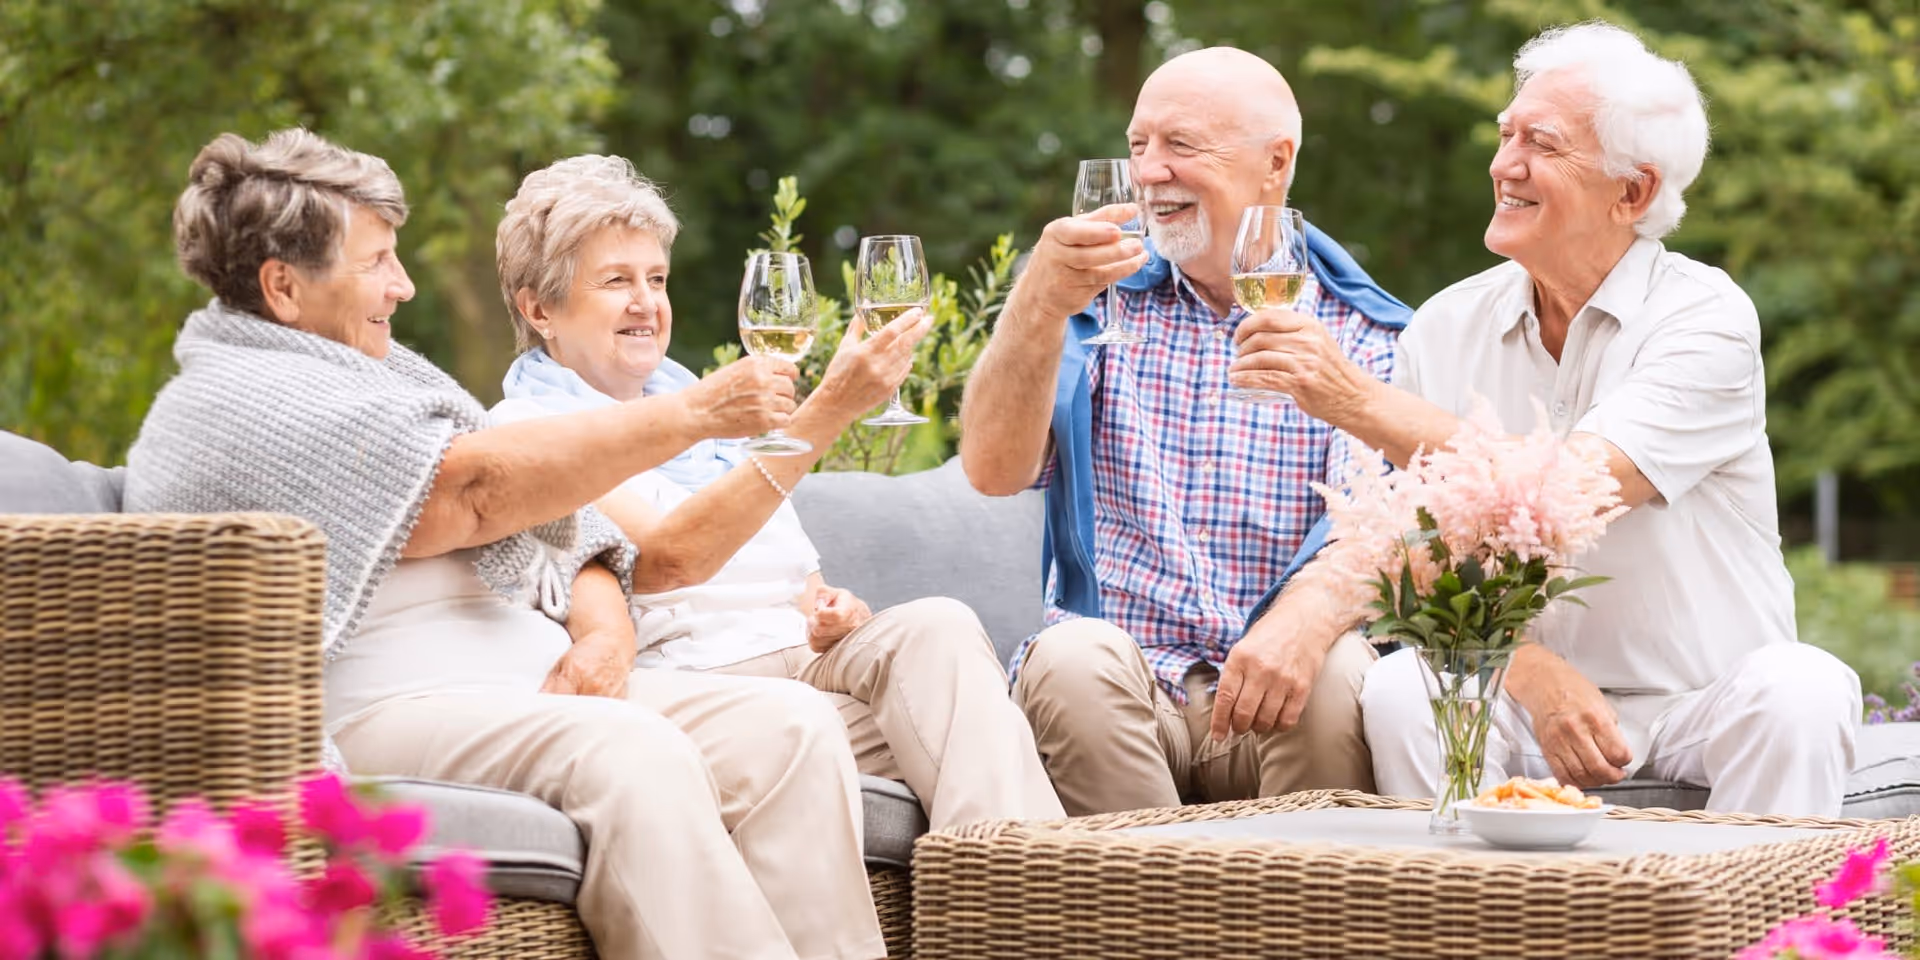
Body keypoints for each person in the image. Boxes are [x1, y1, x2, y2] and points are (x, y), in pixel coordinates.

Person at [125, 129, 888, 960]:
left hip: (526, 687)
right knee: (634, 752)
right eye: (377, 261)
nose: (405, 286)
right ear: (283, 286)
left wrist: (605, 626)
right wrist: (695, 414)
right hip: (386, 707)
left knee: (787, 727)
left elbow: (570, 531)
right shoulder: (231, 405)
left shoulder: (388, 378)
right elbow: (470, 493)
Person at [1232, 23, 1861, 817]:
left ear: (1631, 192)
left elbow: (1564, 490)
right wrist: (1525, 673)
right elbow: (1421, 557)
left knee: (1804, 688)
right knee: (1402, 685)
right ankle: (1481, 929)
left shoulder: (1706, 319)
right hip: (1518, 699)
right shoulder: (1445, 326)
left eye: (1543, 143)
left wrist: (1352, 398)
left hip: (1706, 704)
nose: (1504, 164)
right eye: (1505, 135)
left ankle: (1765, 934)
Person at [488, 155, 1064, 830]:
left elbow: (801, 584)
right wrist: (828, 410)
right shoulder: (530, 432)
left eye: (657, 279)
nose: (647, 302)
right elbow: (668, 560)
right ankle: (1040, 896)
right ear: (540, 309)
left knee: (939, 626)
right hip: (702, 684)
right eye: (617, 281)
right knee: (975, 732)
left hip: (805, 668)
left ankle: (1022, 885)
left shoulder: (716, 419)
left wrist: (837, 615)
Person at [958, 47, 1412, 816]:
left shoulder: (1368, 332)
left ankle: (1309, 921)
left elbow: (1373, 526)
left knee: (1337, 670)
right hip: (1126, 682)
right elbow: (994, 471)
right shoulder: (1096, 303)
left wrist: (1306, 618)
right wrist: (1036, 302)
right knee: (1069, 660)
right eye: (1139, 146)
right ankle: (1155, 925)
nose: (1149, 171)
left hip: (1280, 692)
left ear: (1276, 163)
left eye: (1182, 145)